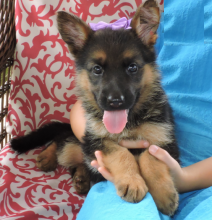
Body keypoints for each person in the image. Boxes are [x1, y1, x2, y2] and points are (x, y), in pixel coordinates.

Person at [70, 100, 212, 193]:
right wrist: (101, 140)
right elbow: (81, 105)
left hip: (203, 186)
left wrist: (185, 179)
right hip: (117, 181)